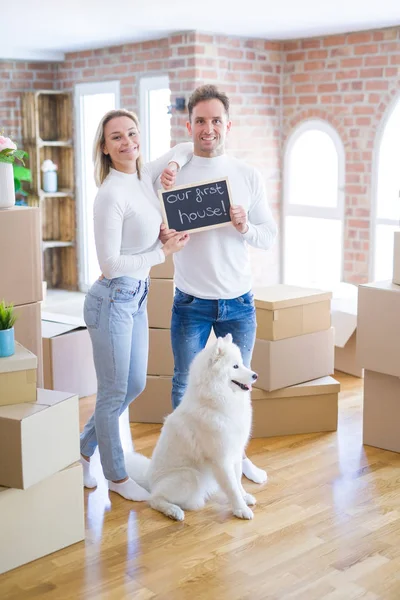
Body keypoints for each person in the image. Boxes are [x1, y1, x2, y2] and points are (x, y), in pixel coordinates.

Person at [159, 85, 278, 485]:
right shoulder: (173, 173)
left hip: (239, 302)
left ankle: (235, 458)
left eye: (215, 121)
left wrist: (245, 227)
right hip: (190, 301)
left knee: (238, 384)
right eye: (200, 121)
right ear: (188, 125)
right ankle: (186, 459)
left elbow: (268, 236)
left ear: (228, 125)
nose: (208, 129)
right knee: (183, 382)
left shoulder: (247, 175)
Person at [80, 109, 191, 501]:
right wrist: (162, 252)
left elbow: (186, 145)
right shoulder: (110, 194)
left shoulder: (143, 177)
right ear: (105, 149)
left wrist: (174, 164)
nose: (127, 142)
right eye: (116, 138)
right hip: (112, 299)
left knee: (135, 384)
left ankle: (82, 447)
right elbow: (109, 266)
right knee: (112, 393)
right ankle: (116, 476)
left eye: (132, 133)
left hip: (137, 297)